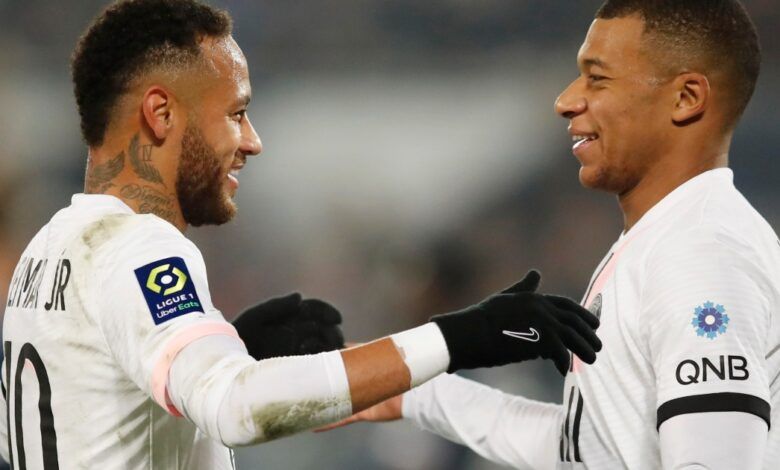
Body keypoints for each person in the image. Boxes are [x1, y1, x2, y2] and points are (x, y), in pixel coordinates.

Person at [0, 1, 602, 468]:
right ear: (161, 114)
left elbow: (96, 415)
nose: (252, 141)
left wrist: (229, 347)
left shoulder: (47, 252)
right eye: (236, 113)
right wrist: (458, 337)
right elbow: (236, 407)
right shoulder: (141, 248)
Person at [323, 1, 780, 469]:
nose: (566, 100)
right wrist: (413, 391)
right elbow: (592, 451)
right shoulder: (662, 241)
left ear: (685, 98)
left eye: (597, 78)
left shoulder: (701, 255)